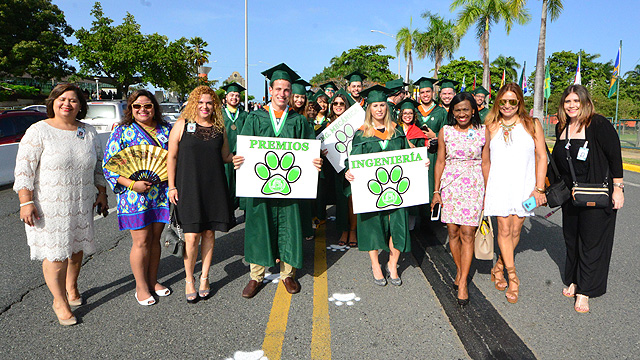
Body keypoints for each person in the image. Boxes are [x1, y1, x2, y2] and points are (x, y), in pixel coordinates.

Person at [14, 83, 107, 326]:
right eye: (62, 99)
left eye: (73, 100)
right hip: (50, 205)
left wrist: (102, 193)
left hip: (80, 201)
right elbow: (24, 170)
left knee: (75, 249)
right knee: (56, 254)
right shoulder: (38, 130)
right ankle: (59, 301)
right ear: (53, 102)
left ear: (80, 106)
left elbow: (98, 165)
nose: (67, 103)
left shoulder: (88, 132)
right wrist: (26, 202)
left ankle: (71, 287)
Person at [233, 63, 322, 298]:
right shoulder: (255, 118)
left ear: (290, 93)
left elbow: (311, 152)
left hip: (291, 188)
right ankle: (256, 276)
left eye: (287, 90)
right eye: (279, 89)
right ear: (270, 91)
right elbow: (241, 147)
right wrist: (237, 158)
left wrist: (315, 162)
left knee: (289, 227)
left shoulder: (299, 121)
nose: (283, 94)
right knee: (259, 227)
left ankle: (288, 274)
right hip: (259, 186)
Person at [345, 85, 429, 286]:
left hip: (397, 188)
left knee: (397, 224)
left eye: (382, 105)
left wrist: (420, 163)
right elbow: (353, 161)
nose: (379, 109)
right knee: (373, 225)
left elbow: (409, 157)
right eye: (375, 106)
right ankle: (375, 264)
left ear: (387, 107)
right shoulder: (361, 134)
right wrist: (349, 172)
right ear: (370, 109)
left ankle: (393, 263)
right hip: (372, 190)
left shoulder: (397, 132)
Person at [551, 84, 624, 313]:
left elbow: (615, 156)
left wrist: (618, 188)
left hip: (596, 194)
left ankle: (585, 291)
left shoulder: (598, 124)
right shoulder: (562, 127)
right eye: (567, 102)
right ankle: (574, 279)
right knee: (572, 239)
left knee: (592, 243)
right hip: (572, 196)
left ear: (585, 102)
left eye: (576, 101)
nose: (571, 106)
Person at [103, 89, 172, 306]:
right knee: (141, 241)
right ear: (131, 109)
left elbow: (176, 158)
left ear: (155, 107)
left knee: (155, 239)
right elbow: (109, 166)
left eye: (148, 106)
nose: (143, 110)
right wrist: (133, 184)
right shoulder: (121, 132)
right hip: (134, 195)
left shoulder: (166, 130)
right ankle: (140, 287)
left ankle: (153, 281)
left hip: (161, 193)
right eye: (137, 106)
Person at [166, 86, 235, 303]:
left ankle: (204, 277)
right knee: (191, 236)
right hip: (188, 187)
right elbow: (172, 157)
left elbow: (226, 156)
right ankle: (189, 279)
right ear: (193, 103)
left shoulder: (218, 128)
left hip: (213, 187)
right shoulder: (182, 125)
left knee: (208, 233)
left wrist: (244, 156)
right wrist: (172, 186)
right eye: (201, 102)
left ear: (215, 105)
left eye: (209, 103)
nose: (205, 106)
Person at [483, 83, 547, 304]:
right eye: (503, 101)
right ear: (498, 102)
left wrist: (539, 188)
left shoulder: (532, 124)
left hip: (525, 187)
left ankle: (498, 267)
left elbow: (541, 157)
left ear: (519, 102)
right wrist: (483, 188)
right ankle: (513, 276)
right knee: (504, 228)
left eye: (512, 101)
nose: (507, 105)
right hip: (498, 185)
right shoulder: (490, 125)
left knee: (516, 228)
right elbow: (485, 160)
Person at [431, 92, 489, 306]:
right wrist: (436, 191)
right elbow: (439, 162)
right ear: (452, 112)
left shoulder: (483, 132)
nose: (462, 113)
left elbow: (485, 163)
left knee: (467, 232)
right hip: (450, 185)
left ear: (473, 110)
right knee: (453, 232)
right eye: (457, 110)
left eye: (466, 109)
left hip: (473, 184)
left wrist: (487, 191)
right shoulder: (445, 131)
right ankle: (460, 270)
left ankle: (463, 281)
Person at [328, 89, 357, 247]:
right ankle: (343, 230)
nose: (338, 106)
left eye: (341, 103)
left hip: (352, 164)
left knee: (352, 199)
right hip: (337, 166)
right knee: (341, 200)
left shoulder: (355, 122)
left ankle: (352, 230)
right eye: (335, 103)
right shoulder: (328, 126)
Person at [413, 77, 448, 201]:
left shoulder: (441, 111)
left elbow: (448, 133)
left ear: (433, 93)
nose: (425, 95)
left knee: (434, 182)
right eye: (422, 92)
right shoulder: (414, 111)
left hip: (435, 154)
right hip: (419, 154)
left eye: (428, 91)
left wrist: (435, 136)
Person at [396, 98, 428, 231]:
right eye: (405, 113)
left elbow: (422, 151)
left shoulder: (418, 133)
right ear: (401, 115)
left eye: (410, 113)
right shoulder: (395, 130)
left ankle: (410, 227)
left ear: (414, 115)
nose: (407, 116)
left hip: (411, 169)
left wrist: (413, 148)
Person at [221, 82, 248, 212]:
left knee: (241, 183)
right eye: (232, 95)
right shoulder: (219, 114)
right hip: (224, 155)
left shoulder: (245, 115)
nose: (234, 98)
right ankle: (227, 213)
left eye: (237, 95)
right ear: (226, 97)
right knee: (225, 183)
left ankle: (243, 210)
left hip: (240, 155)